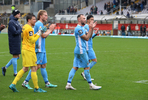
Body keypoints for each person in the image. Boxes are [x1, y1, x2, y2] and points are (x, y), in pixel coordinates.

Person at [9, 13, 47, 92]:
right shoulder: (29, 28)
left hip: (24, 49)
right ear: (29, 20)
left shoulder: (25, 27)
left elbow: (28, 37)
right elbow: (32, 40)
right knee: (33, 68)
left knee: (25, 68)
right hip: (29, 50)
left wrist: (38, 32)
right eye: (33, 19)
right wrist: (40, 33)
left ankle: (13, 84)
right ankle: (36, 88)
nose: (35, 21)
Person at [22, 10, 57, 89]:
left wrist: (48, 30)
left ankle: (47, 83)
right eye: (45, 15)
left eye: (47, 15)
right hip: (39, 48)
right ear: (40, 16)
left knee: (43, 65)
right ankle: (25, 82)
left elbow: (44, 35)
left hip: (42, 48)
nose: (46, 17)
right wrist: (50, 30)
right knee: (37, 66)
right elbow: (43, 35)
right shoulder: (39, 23)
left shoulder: (39, 24)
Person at [65, 14, 101, 90]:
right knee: (87, 67)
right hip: (81, 50)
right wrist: (91, 29)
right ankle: (91, 85)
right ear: (79, 20)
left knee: (75, 67)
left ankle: (68, 84)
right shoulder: (79, 29)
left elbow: (89, 36)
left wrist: (91, 28)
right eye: (83, 18)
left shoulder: (82, 28)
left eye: (85, 18)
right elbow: (86, 38)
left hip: (78, 50)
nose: (85, 19)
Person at [2, 10, 22, 76]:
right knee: (15, 56)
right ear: (15, 15)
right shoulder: (11, 22)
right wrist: (20, 30)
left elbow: (18, 31)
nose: (20, 15)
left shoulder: (16, 21)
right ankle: (15, 73)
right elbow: (14, 32)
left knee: (17, 56)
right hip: (13, 41)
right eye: (18, 14)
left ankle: (5, 67)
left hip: (17, 41)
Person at [81, 15, 99, 81]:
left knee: (87, 62)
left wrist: (95, 34)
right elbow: (86, 37)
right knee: (94, 61)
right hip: (88, 47)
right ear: (87, 20)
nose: (92, 21)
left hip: (89, 46)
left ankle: (86, 74)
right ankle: (84, 73)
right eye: (91, 19)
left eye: (93, 19)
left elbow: (90, 37)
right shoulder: (86, 26)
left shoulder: (90, 26)